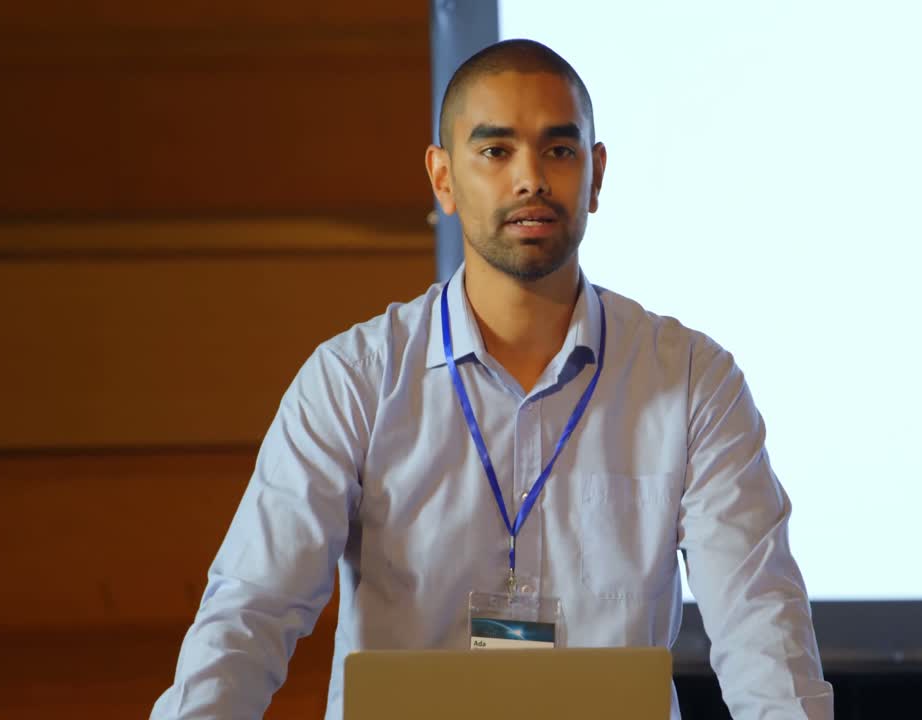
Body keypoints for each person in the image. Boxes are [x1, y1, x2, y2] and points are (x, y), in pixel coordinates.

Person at [152, 39, 833, 719]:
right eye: (496, 150)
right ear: (443, 178)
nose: (530, 178)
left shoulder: (691, 381)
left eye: (558, 150)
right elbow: (250, 614)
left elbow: (762, 631)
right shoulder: (355, 381)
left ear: (596, 175)